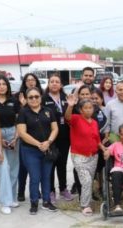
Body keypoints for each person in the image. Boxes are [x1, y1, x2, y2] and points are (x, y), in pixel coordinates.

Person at [17, 87, 59, 215]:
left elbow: (55, 129)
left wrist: (48, 142)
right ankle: (34, 202)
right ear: (27, 99)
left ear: (41, 97)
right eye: (31, 97)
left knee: (46, 177)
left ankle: (46, 201)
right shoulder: (23, 113)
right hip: (30, 150)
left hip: (47, 149)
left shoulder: (48, 111)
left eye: (36, 96)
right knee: (35, 177)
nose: (34, 99)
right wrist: (39, 144)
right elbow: (22, 133)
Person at [65, 96, 106, 216]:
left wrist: (103, 148)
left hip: (93, 156)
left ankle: (87, 200)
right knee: (87, 180)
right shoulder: (76, 119)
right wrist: (70, 105)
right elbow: (67, 117)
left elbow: (97, 139)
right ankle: (85, 205)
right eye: (85, 108)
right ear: (81, 110)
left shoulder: (94, 122)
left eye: (90, 108)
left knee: (89, 181)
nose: (88, 110)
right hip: (79, 156)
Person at [0, 75, 20, 214]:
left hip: (13, 134)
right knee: (3, 169)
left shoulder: (14, 101)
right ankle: (5, 202)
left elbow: (19, 121)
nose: (2, 86)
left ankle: (12, 197)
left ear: (8, 86)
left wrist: (16, 137)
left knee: (13, 168)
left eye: (4, 84)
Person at [42, 74, 73, 203]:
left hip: (64, 137)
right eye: (52, 81)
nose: (54, 84)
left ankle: (63, 188)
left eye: (57, 82)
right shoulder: (43, 98)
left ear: (61, 85)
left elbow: (70, 116)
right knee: (50, 163)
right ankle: (51, 191)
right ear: (48, 84)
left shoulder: (65, 98)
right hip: (49, 137)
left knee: (62, 163)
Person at [16, 73, 43, 202]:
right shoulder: (19, 96)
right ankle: (21, 191)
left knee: (36, 169)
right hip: (25, 137)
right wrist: (22, 105)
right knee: (23, 167)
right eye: (28, 80)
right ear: (24, 82)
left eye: (33, 80)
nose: (31, 82)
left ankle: (36, 190)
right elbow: (18, 116)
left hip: (39, 137)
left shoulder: (40, 94)